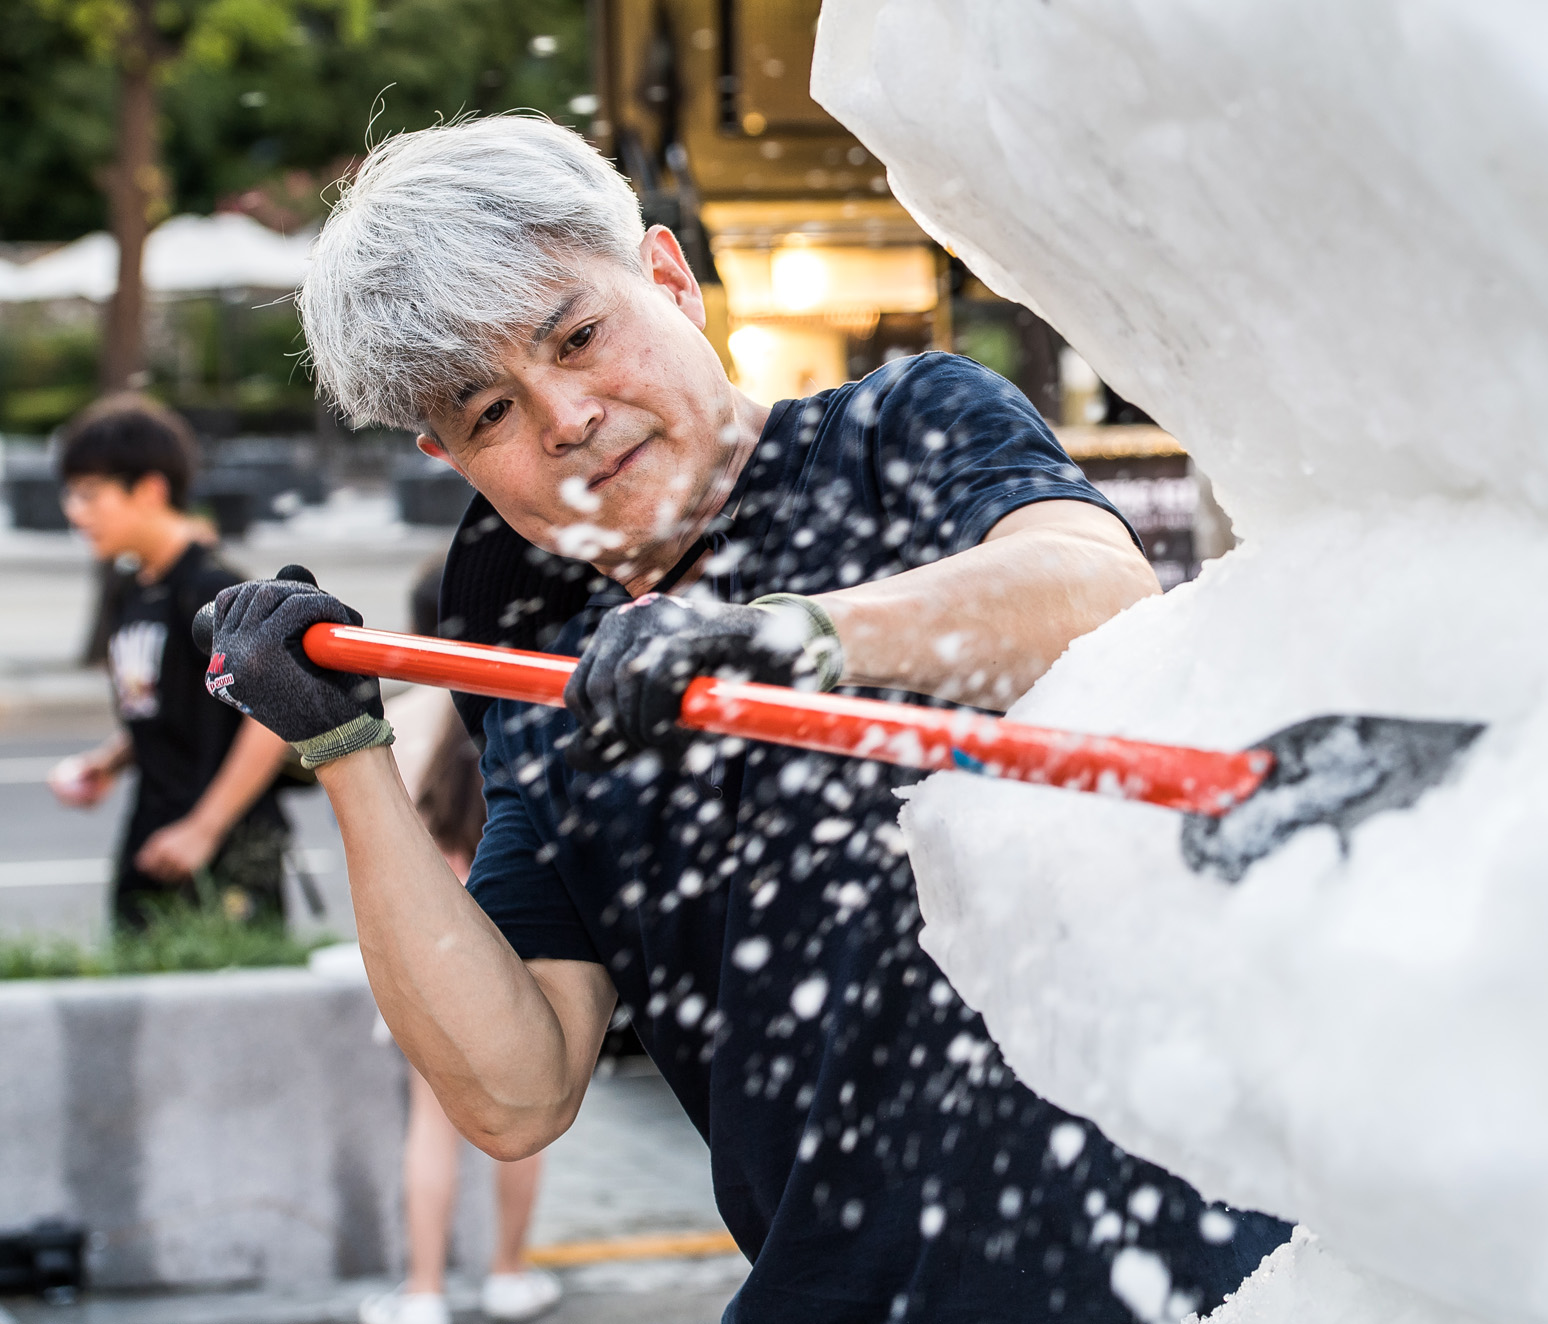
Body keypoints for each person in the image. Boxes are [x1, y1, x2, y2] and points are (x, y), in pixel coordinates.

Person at [203, 116, 1289, 1321]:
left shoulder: (897, 428)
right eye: (487, 410)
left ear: (669, 276)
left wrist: (791, 635)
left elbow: (1096, 589)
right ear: (447, 455)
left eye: (577, 335)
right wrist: (346, 750)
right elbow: (517, 1089)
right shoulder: (527, 621)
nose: (563, 416)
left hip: (1172, 1276)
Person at [362, 565, 562, 1324]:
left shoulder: (400, 717)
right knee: (532, 1118)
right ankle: (509, 1274)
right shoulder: (522, 708)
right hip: (516, 939)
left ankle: (423, 1292)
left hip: (426, 949)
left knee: (431, 1125)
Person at [48, 396, 292, 929]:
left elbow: (270, 719)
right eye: (71, 494)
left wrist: (204, 829)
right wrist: (110, 762)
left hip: (223, 848)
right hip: (152, 832)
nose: (75, 511)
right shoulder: (130, 587)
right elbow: (173, 701)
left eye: (91, 494)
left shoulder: (211, 590)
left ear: (151, 489)